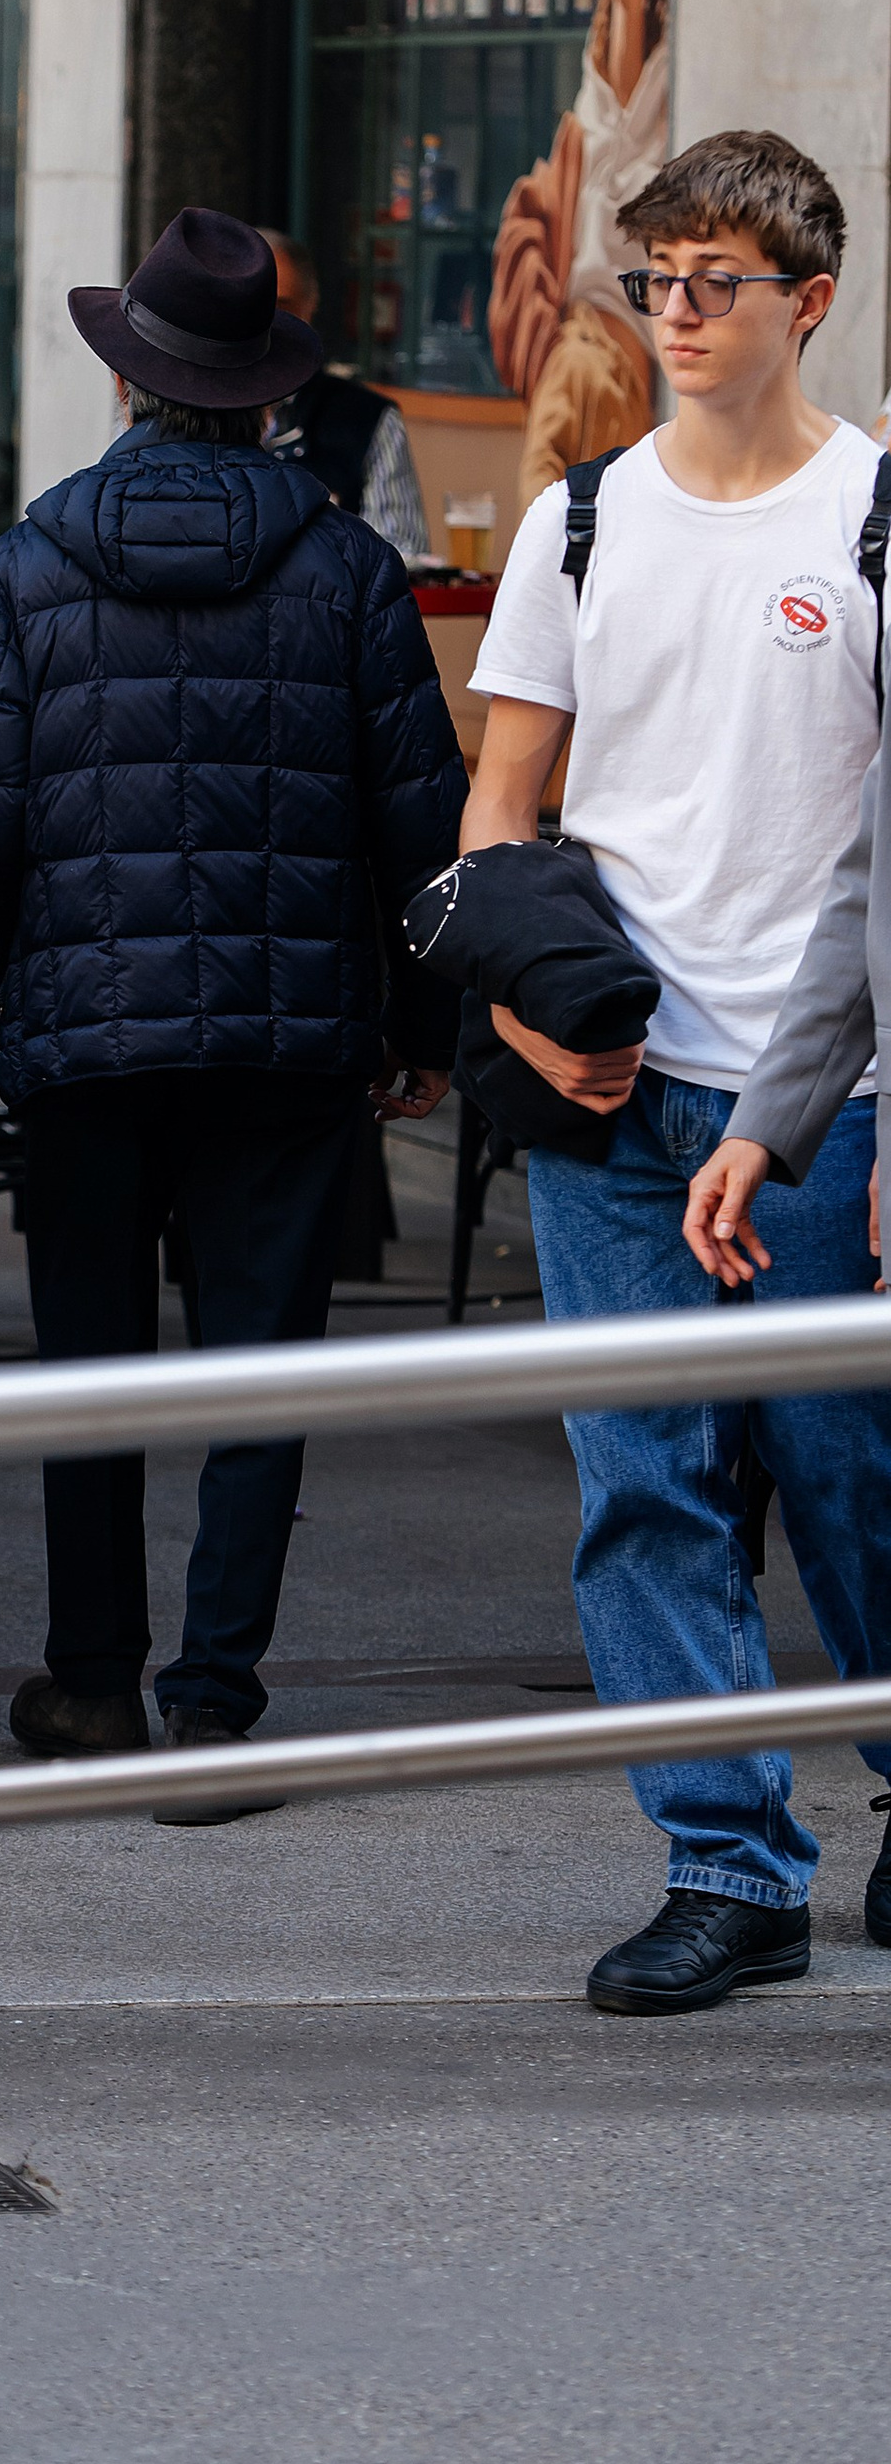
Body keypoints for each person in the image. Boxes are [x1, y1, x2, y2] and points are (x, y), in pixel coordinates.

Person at [0, 210, 464, 1821]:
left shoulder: (24, 565)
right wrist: (423, 1025)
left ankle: (92, 1683)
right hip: (292, 1040)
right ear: (270, 393)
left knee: (90, 1369)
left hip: (86, 1035)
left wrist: (14, 972)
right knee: (260, 1372)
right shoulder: (351, 570)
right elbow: (423, 828)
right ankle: (215, 1704)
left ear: (126, 380)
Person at [462, 126, 891, 2013]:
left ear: (812, 301)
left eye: (721, 283)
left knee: (852, 1477)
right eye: (657, 282)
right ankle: (727, 1866)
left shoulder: (873, 518)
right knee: (644, 1483)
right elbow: (502, 800)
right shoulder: (581, 519)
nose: (681, 314)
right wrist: (515, 1007)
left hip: (825, 1096)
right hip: (614, 1089)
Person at [489, 0, 671, 510]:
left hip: (642, 380)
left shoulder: (683, 82)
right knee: (542, 536)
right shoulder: (595, 82)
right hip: (574, 359)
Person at [259, 231, 434, 566]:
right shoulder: (186, 413)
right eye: (249, 306)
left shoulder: (367, 418)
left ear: (310, 306)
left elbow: (401, 555)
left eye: (282, 307)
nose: (264, 322)